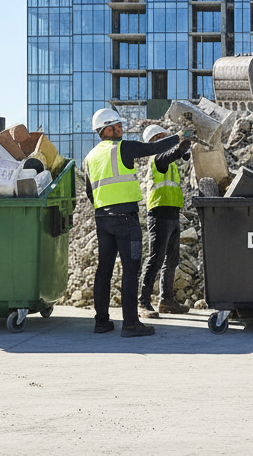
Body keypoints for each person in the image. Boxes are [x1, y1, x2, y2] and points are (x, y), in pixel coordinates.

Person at [83, 108, 185, 338]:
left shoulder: (88, 158)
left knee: (104, 271)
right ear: (105, 129)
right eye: (117, 126)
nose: (121, 129)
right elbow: (151, 149)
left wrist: (103, 208)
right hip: (126, 219)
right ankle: (130, 323)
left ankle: (101, 322)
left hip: (103, 218)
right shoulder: (122, 147)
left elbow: (90, 192)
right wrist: (179, 137)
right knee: (131, 270)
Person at [139, 124, 192, 318]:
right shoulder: (157, 159)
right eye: (161, 137)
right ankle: (143, 301)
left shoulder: (170, 161)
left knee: (172, 260)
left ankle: (166, 300)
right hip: (159, 213)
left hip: (172, 212)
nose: (165, 140)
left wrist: (185, 147)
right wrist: (182, 144)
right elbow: (170, 155)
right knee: (156, 258)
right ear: (153, 142)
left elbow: (180, 157)